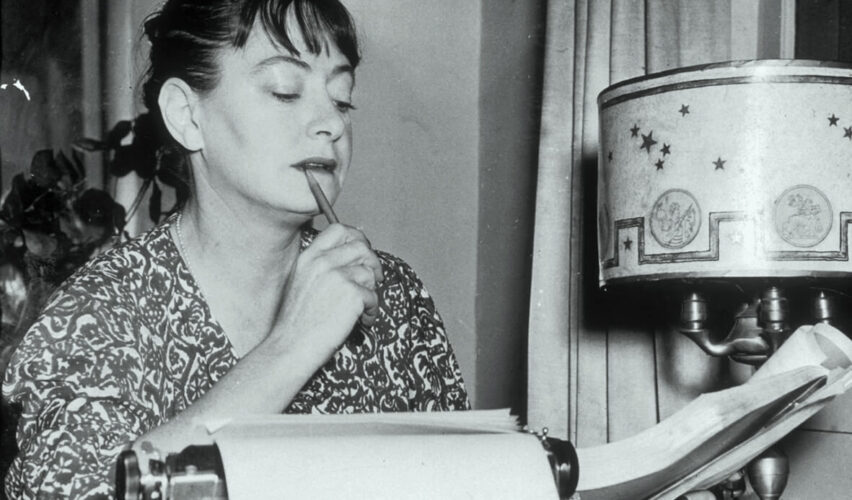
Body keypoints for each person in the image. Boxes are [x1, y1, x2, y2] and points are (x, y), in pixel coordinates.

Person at [2, 0, 469, 497]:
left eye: (342, 98)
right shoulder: (95, 318)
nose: (331, 123)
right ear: (187, 116)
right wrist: (293, 344)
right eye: (285, 91)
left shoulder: (394, 296)